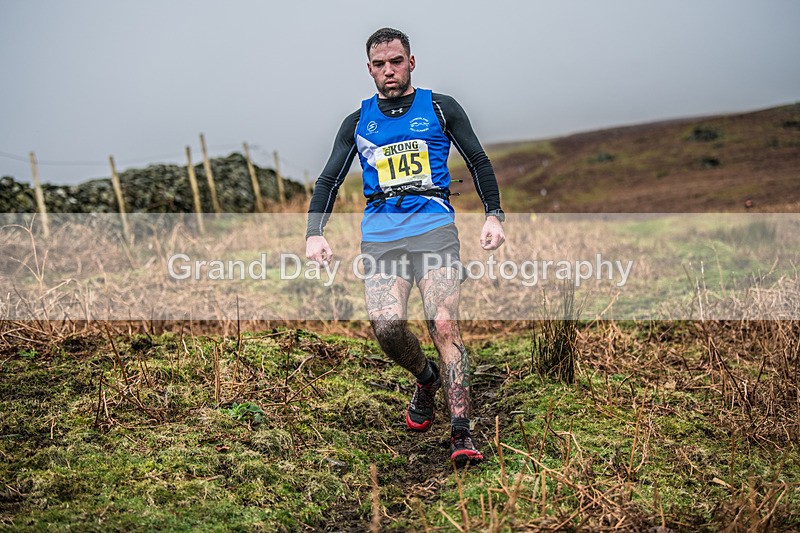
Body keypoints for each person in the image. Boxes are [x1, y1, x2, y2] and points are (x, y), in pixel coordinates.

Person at [306, 27, 505, 467]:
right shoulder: (357, 122)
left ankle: (461, 433)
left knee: (445, 325)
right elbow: (328, 180)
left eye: (396, 61)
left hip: (435, 231)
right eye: (379, 65)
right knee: (387, 328)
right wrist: (314, 232)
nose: (388, 71)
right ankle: (425, 378)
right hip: (381, 237)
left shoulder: (440, 107)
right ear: (370, 69)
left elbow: (478, 161)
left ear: (411, 62)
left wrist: (494, 214)